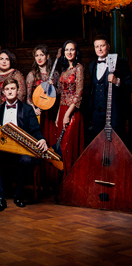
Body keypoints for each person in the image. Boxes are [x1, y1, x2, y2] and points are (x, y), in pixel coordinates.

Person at [0, 77, 48, 211]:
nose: (10, 91)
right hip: (4, 149)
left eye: (13, 88)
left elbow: (35, 130)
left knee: (27, 160)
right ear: (3, 92)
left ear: (18, 90)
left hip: (22, 149)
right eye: (7, 89)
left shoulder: (28, 109)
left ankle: (18, 195)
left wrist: (42, 139)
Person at [88, 35, 132, 141]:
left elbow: (130, 85)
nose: (99, 49)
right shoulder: (92, 65)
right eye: (97, 46)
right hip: (97, 114)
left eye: (102, 46)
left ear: (108, 46)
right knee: (99, 144)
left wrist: (117, 81)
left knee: (116, 144)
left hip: (115, 114)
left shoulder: (121, 63)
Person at [55, 40, 84, 175]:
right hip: (62, 110)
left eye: (72, 49)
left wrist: (67, 114)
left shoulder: (79, 68)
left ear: (76, 52)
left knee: (68, 147)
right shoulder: (64, 70)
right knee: (61, 148)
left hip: (72, 112)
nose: (69, 52)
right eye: (67, 50)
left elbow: (79, 94)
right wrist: (58, 115)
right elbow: (62, 95)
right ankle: (63, 182)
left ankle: (71, 180)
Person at [26, 44, 58, 145]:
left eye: (42, 55)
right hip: (37, 113)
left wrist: (53, 88)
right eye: (37, 55)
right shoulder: (32, 75)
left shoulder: (55, 74)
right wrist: (34, 109)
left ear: (47, 56)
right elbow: (28, 98)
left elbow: (59, 94)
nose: (39, 58)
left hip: (51, 112)